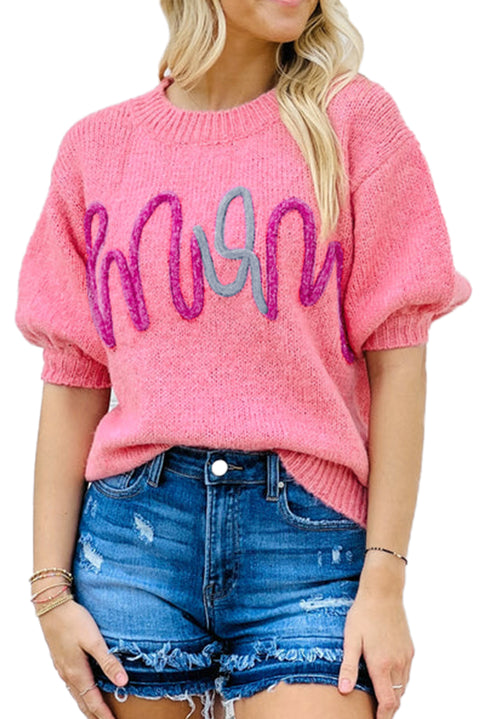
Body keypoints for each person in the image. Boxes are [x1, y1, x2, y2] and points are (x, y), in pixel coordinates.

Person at [14, 1, 472, 719]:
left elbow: (400, 363)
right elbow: (73, 377)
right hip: (135, 539)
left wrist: (385, 580)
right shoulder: (96, 148)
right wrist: (49, 591)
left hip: (308, 539)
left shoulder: (355, 122)